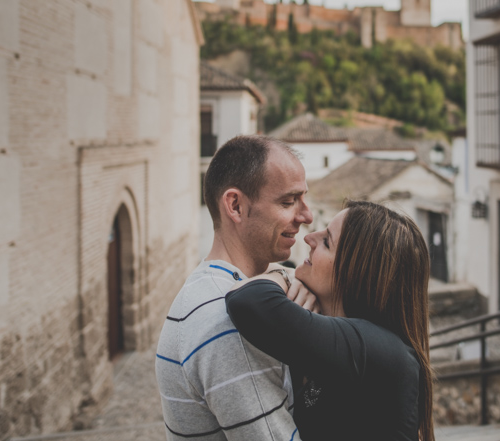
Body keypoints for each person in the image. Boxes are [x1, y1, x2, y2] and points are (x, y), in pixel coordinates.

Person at [226, 201, 435, 441]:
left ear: (356, 273)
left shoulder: (378, 349)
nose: (309, 238)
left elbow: (247, 300)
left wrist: (284, 274)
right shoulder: (352, 345)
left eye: (326, 242)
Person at [155, 135, 315, 440]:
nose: (306, 216)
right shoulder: (230, 321)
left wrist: (284, 275)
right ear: (236, 206)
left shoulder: (206, 289)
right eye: (288, 201)